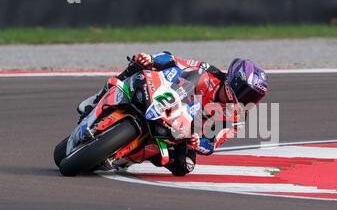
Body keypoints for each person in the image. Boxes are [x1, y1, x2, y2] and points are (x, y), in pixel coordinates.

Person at [77, 51, 268, 176]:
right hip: (166, 97)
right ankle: (96, 99)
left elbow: (213, 142)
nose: (248, 99)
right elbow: (173, 60)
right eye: (247, 92)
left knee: (185, 166)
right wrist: (152, 59)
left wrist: (197, 142)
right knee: (139, 65)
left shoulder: (236, 117)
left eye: (254, 97)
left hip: (182, 132)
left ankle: (137, 154)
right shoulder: (205, 71)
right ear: (234, 81)